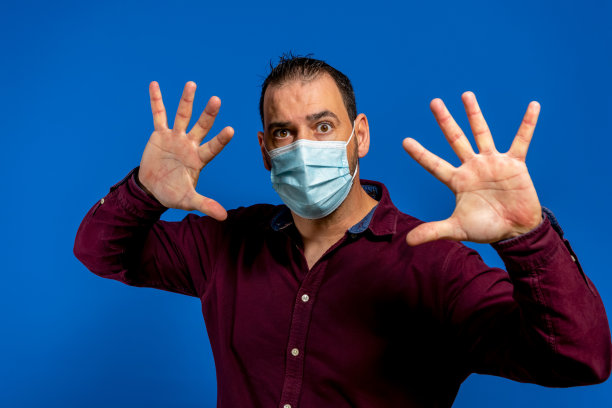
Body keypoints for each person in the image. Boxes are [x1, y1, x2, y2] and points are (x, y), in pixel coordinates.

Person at [74, 55, 611, 408]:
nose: (303, 146)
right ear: (265, 150)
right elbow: (101, 252)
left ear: (360, 136)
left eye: (323, 126)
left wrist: (527, 237)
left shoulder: (435, 266)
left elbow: (579, 358)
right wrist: (144, 190)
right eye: (284, 132)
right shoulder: (226, 241)